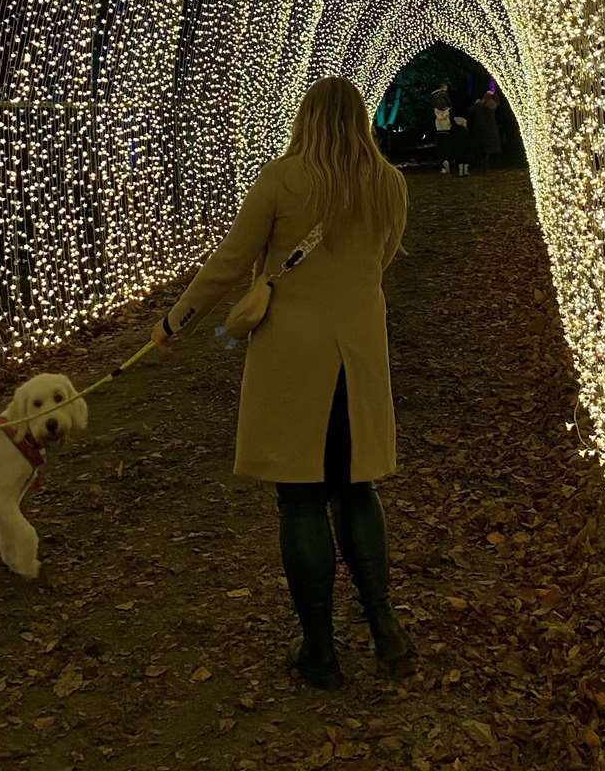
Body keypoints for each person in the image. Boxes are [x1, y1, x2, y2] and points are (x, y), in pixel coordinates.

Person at [150, 77, 414, 690]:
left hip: (294, 357)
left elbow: (230, 262)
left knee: (300, 498)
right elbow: (383, 259)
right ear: (359, 119)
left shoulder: (280, 180)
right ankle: (386, 630)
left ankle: (319, 648)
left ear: (307, 119)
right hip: (360, 353)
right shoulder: (388, 183)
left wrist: (175, 321)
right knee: (355, 488)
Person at [465, 90, 502, 173]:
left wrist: (476, 103)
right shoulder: (492, 105)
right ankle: (485, 167)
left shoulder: (479, 105)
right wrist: (493, 94)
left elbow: (470, 111)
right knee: (486, 151)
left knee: (480, 149)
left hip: (479, 129)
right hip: (490, 129)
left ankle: (480, 166)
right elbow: (498, 102)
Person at [430, 82, 454, 173]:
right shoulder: (445, 97)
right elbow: (450, 106)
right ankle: (447, 161)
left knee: (440, 146)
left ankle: (442, 164)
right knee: (447, 145)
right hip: (446, 127)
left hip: (438, 126)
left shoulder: (433, 97)